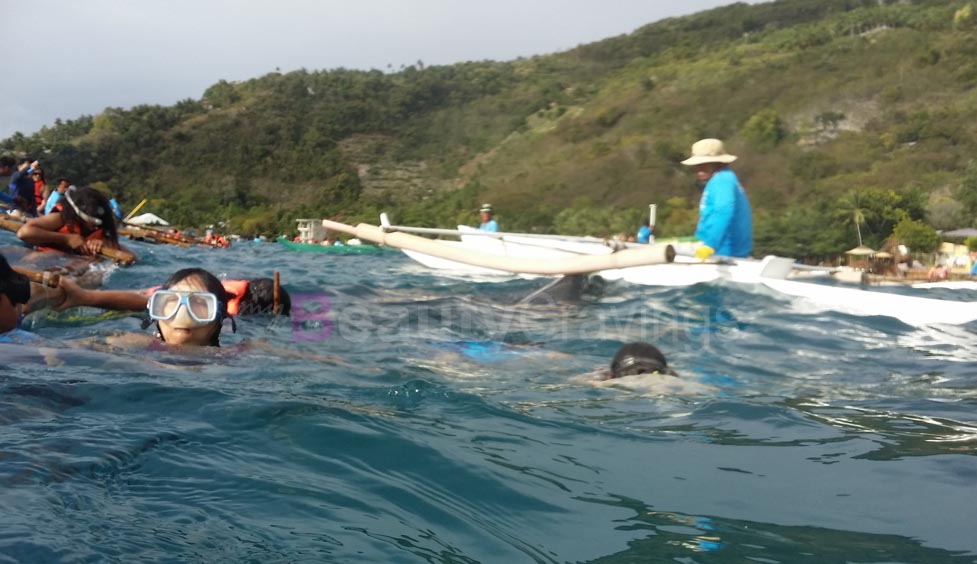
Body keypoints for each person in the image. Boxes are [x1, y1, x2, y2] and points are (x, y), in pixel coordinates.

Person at [681, 139, 752, 259]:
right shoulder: (725, 179)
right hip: (720, 250)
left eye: (704, 164)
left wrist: (710, 245)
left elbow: (724, 211)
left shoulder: (722, 180)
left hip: (721, 253)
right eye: (697, 165)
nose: (699, 169)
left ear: (718, 163)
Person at [17, 186, 127, 257]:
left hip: (72, 269)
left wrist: (104, 245)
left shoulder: (100, 232)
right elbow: (24, 232)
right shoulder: (62, 218)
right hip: (43, 260)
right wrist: (66, 238)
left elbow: (131, 257)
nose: (94, 227)